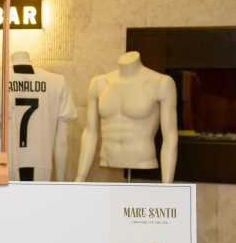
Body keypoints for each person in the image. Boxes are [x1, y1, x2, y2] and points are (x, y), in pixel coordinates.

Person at [0, 51, 77, 181]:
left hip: (2, 170)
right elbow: (62, 141)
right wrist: (60, 183)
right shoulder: (57, 82)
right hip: (42, 170)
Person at [76, 51, 178, 183]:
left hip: (142, 159)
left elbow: (170, 136)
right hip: (108, 157)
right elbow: (90, 132)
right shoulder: (98, 83)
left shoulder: (160, 83)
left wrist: (167, 185)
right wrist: (80, 176)